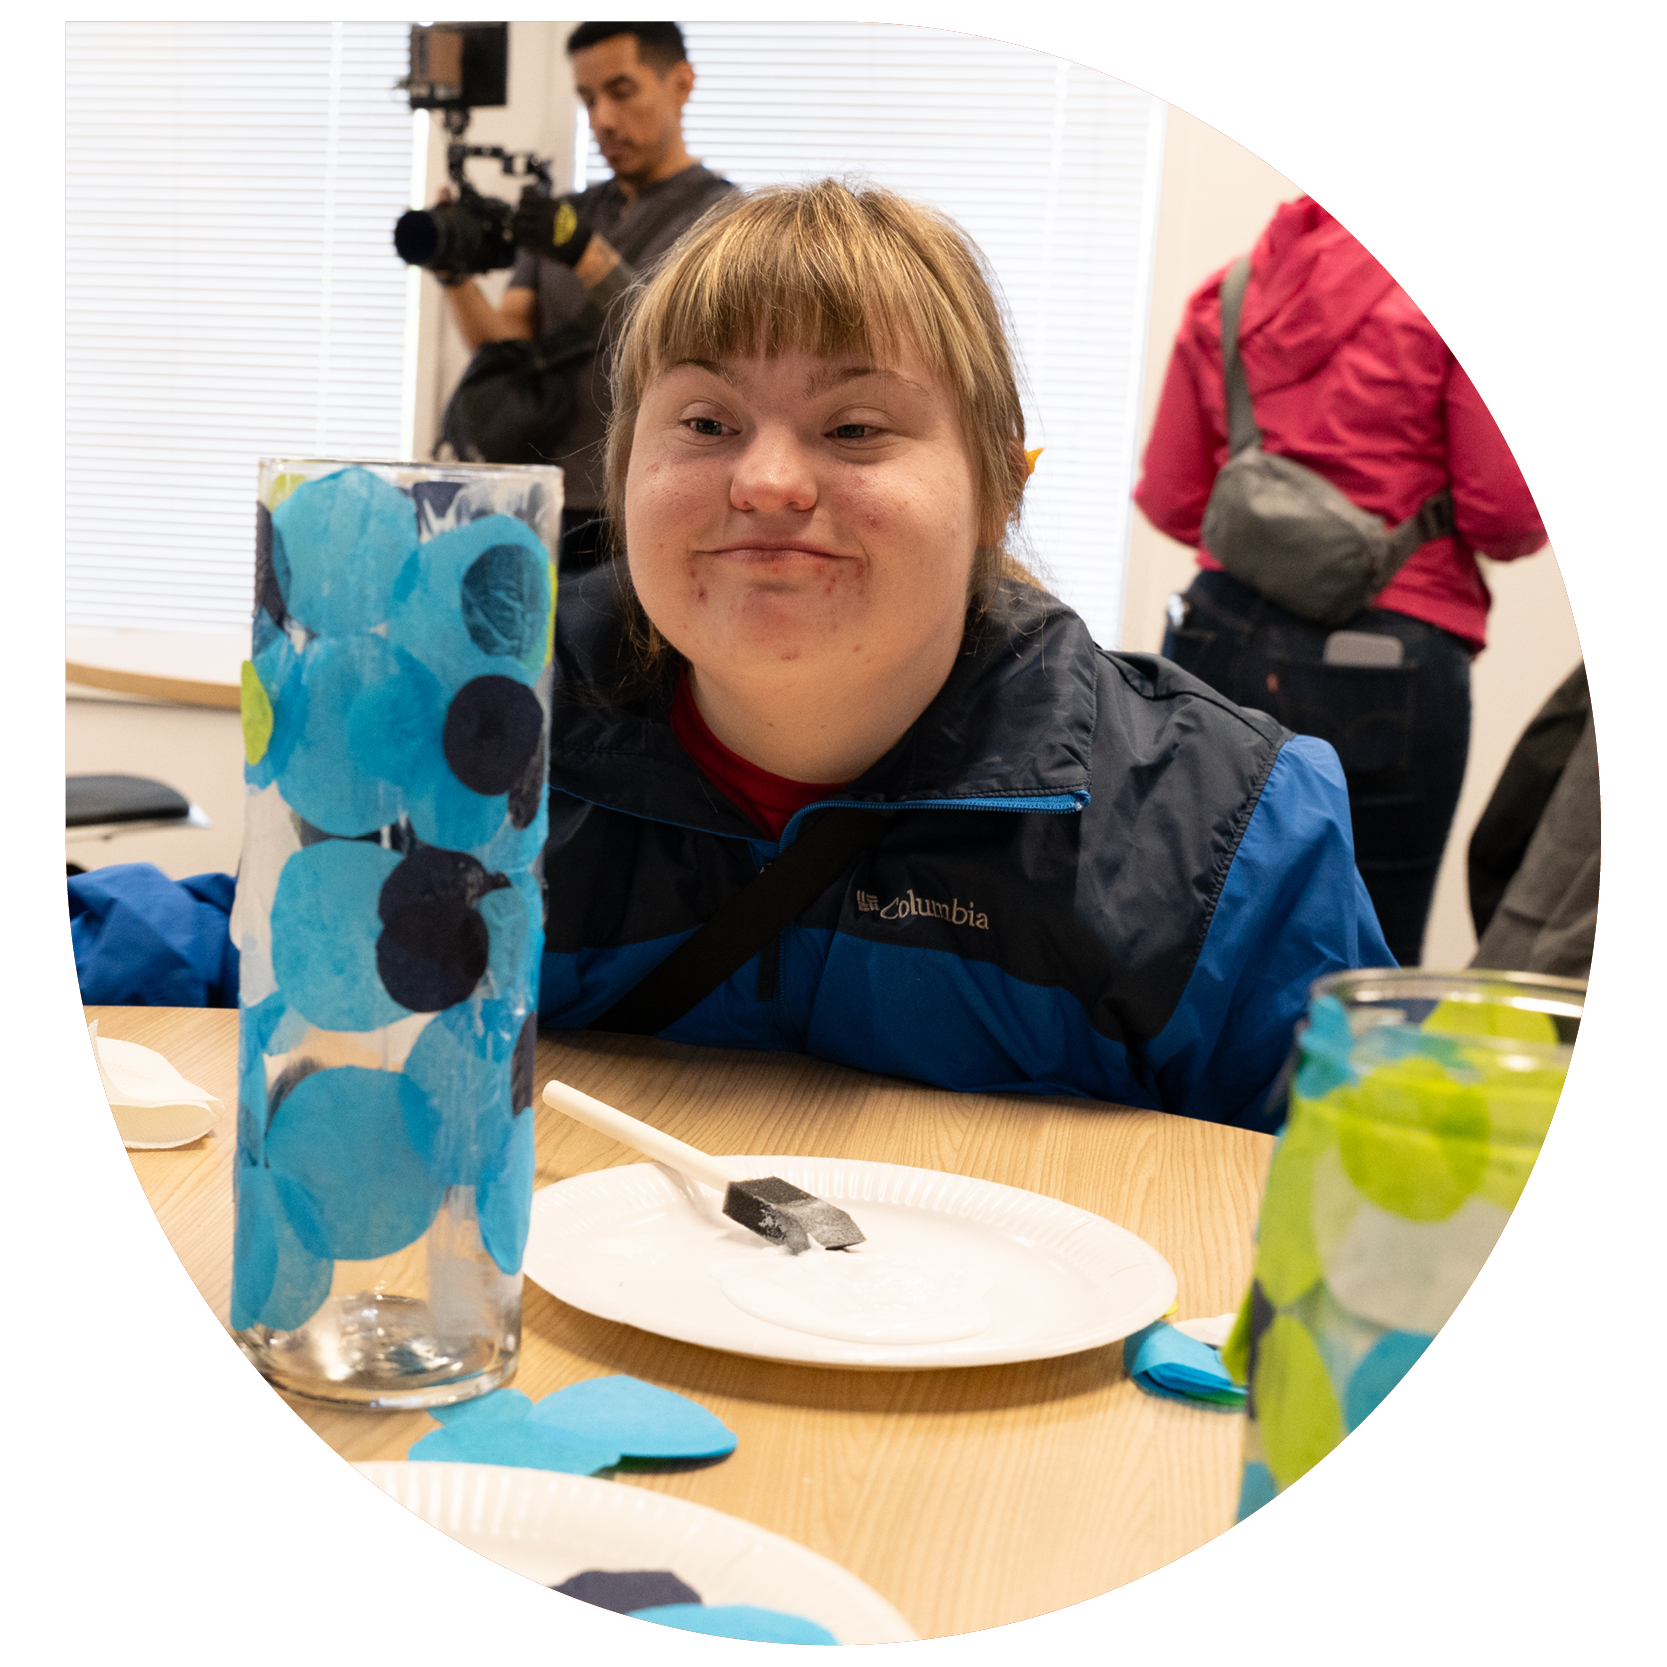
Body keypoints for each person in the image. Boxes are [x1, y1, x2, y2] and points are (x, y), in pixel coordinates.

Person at [536, 179, 1393, 1134]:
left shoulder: (1226, 835)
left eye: (854, 428)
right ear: (623, 471)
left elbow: (1361, 1198)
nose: (767, 481)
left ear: (998, 489)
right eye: (705, 423)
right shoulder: (474, 753)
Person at [1133, 197, 1548, 967]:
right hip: (1388, 661)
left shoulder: (1228, 293)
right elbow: (1503, 515)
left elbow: (1172, 497)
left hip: (1216, 637)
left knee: (1192, 934)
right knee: (1368, 956)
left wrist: (1280, 546)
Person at [434, 22, 736, 561]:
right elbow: (504, 343)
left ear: (681, 84)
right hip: (537, 498)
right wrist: (452, 274)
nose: (602, 120)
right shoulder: (567, 213)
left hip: (639, 506)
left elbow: (681, 347)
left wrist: (583, 252)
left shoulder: (726, 221)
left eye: (621, 92)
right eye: (588, 99)